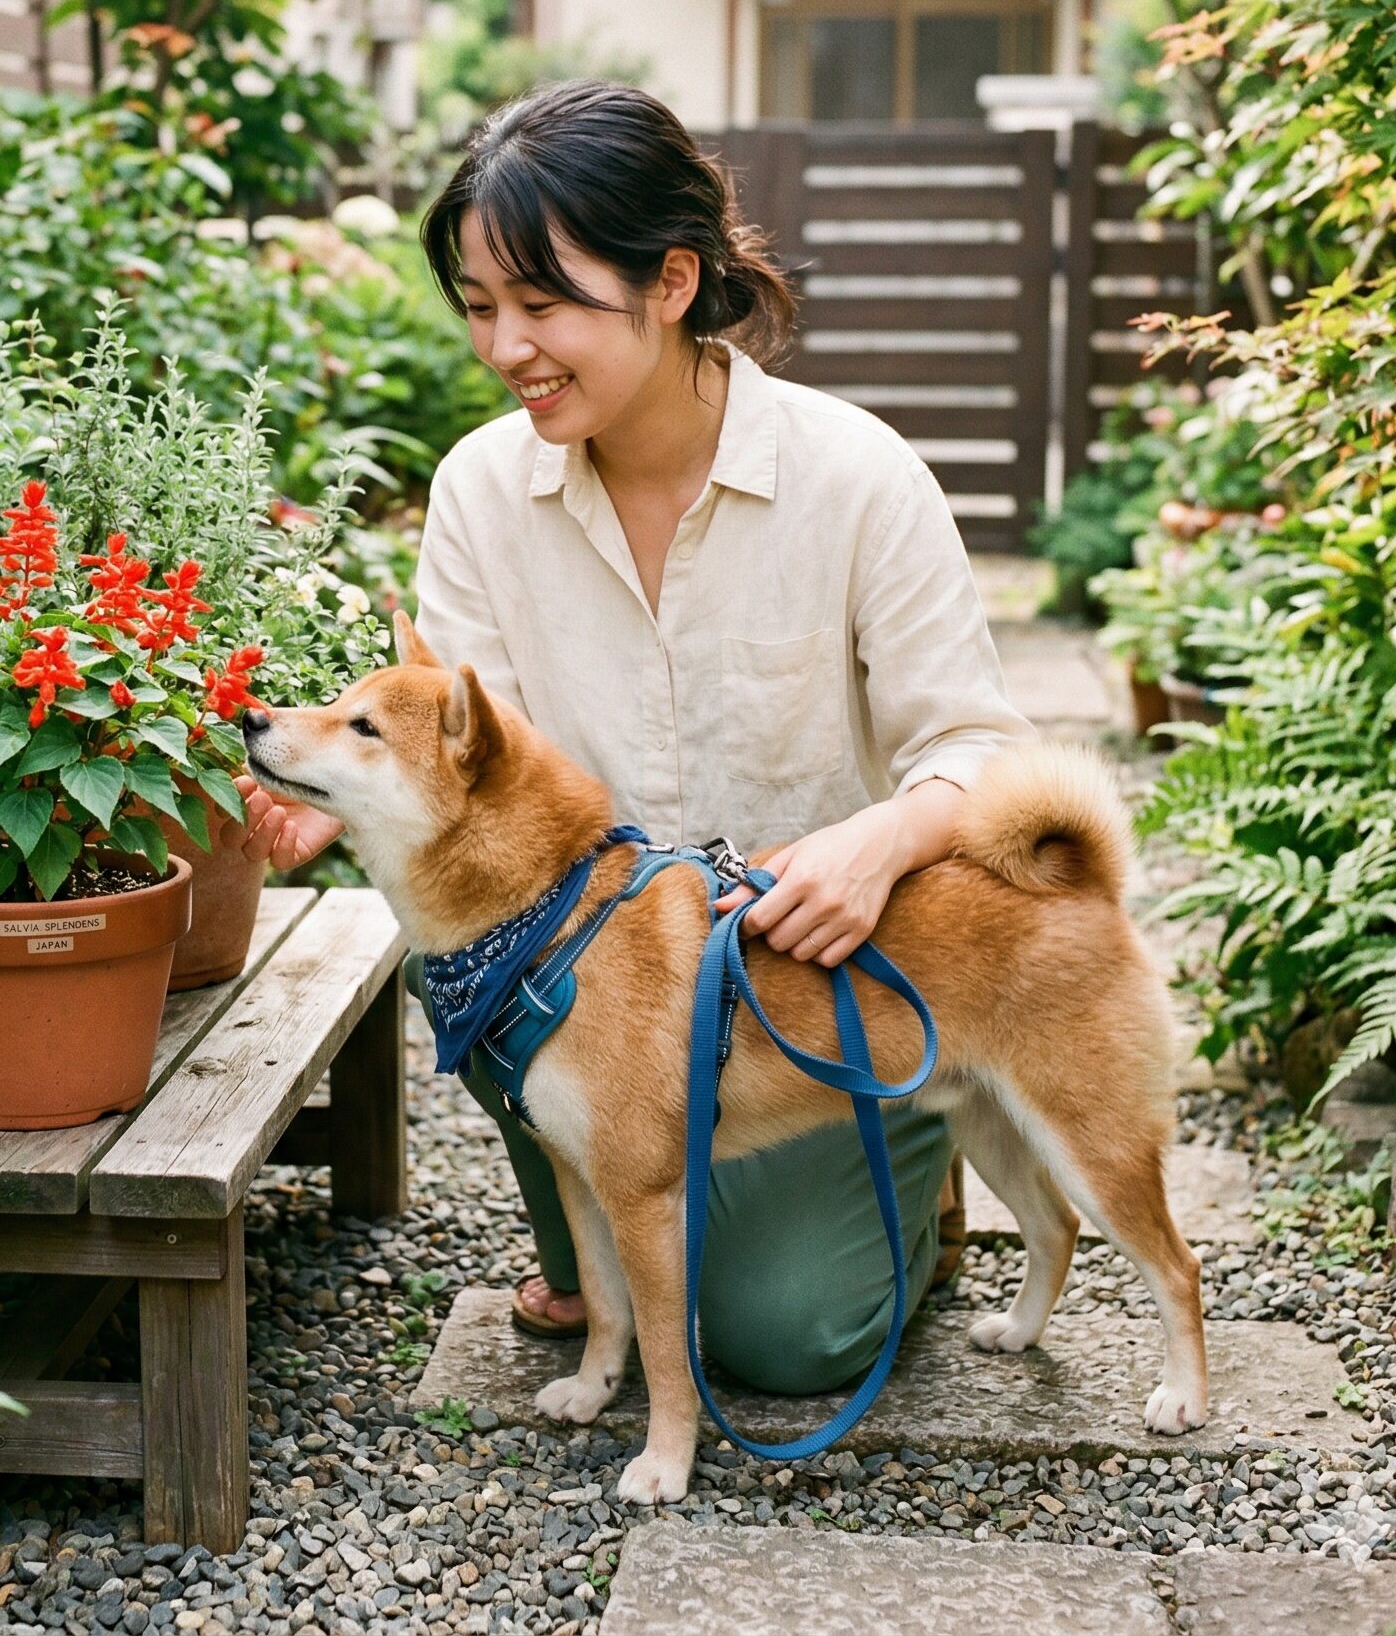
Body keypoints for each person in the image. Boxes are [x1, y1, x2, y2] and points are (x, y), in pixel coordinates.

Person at [236, 79, 1032, 1395]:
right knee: (582, 1156)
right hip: (589, 990)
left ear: (671, 281)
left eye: (543, 303)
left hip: (808, 989)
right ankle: (630, 1238)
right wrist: (349, 800)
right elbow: (470, 765)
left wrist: (882, 842)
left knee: (785, 1340)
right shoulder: (481, 490)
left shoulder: (857, 477)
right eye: (480, 306)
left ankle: (910, 1175)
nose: (506, 348)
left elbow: (985, 756)